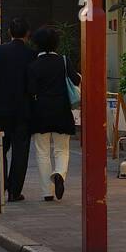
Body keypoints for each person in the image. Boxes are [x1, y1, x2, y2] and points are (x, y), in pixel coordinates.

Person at [0, 17, 36, 202]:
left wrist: (0, 88)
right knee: (21, 151)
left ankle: (0, 186)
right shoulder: (31, 54)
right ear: (27, 34)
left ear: (9, 33)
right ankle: (15, 191)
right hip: (23, 110)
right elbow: (33, 84)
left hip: (1, 109)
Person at [25, 27, 79, 202]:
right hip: (61, 110)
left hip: (40, 111)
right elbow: (76, 80)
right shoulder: (64, 61)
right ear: (56, 43)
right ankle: (59, 174)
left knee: (42, 152)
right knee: (62, 149)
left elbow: (30, 89)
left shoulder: (33, 65)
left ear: (37, 44)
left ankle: (46, 192)